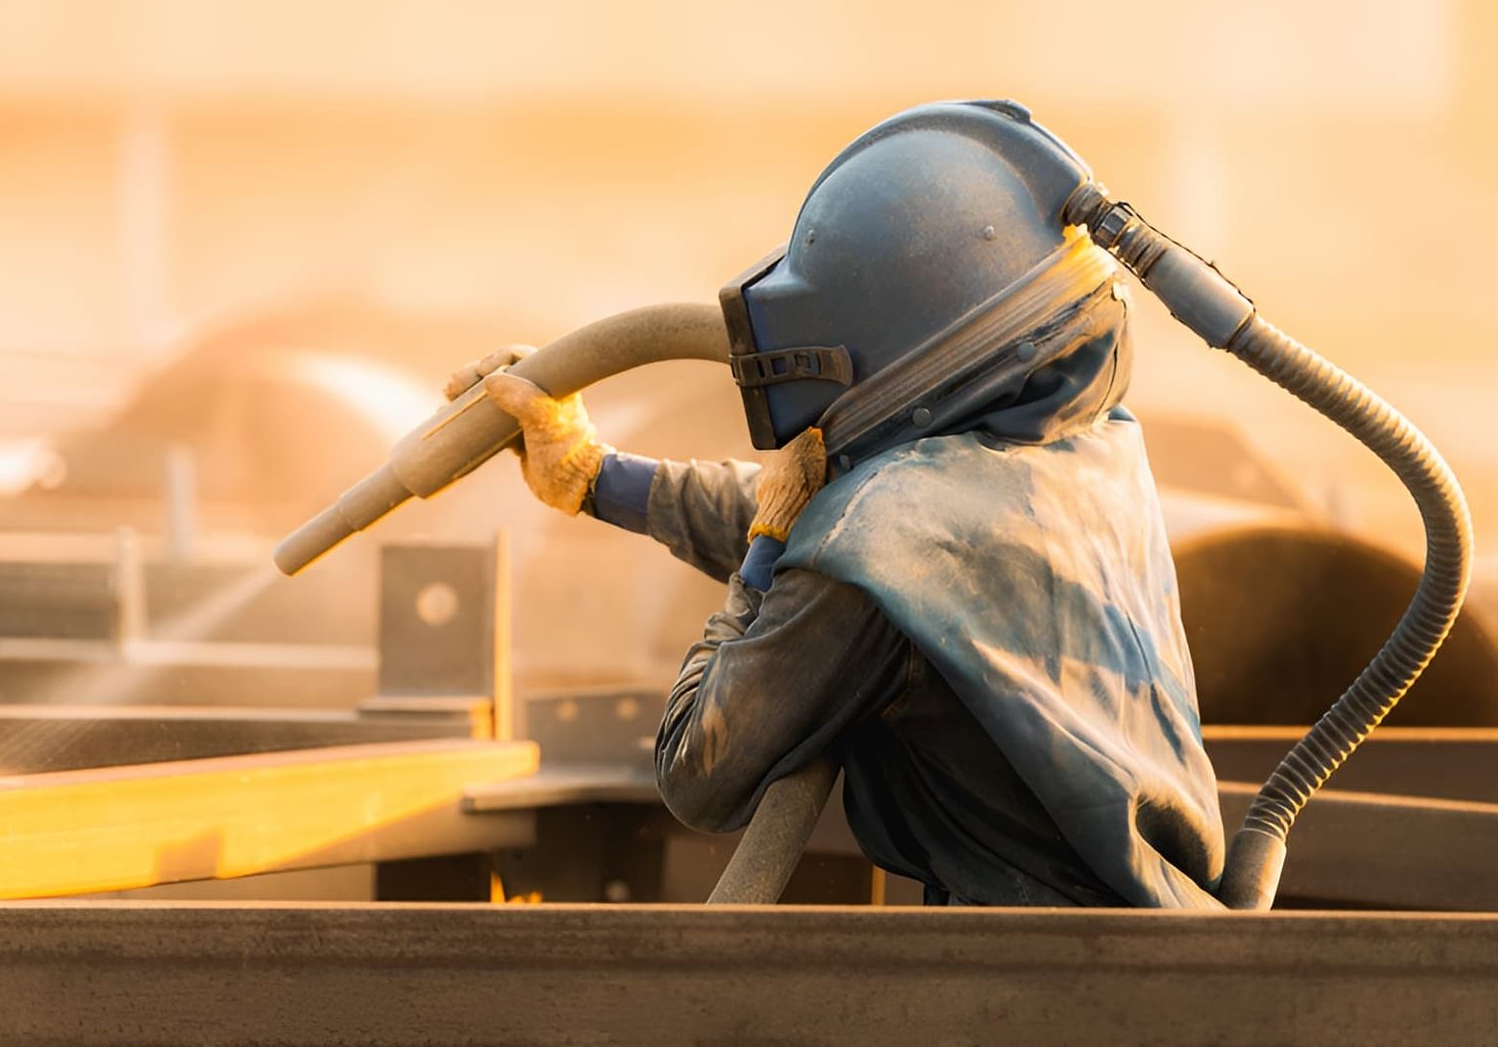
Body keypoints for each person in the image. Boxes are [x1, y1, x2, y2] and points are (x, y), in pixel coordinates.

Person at [449, 100, 1225, 908]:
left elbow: (698, 773)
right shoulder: (1086, 446)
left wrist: (758, 560)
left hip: (1020, 987)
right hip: (1155, 949)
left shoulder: (879, 547)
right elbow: (839, 520)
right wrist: (591, 474)